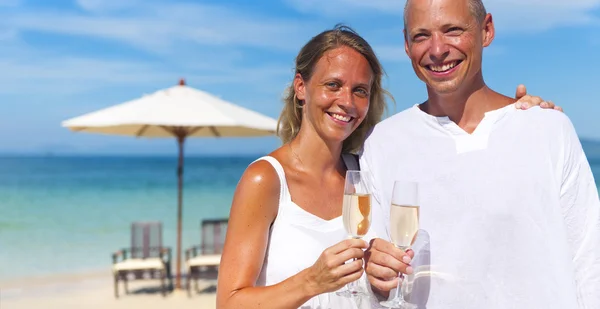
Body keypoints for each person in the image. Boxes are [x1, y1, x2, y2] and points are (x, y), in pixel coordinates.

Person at [215, 25, 558, 309]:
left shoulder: (366, 174)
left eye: (360, 91)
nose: (346, 102)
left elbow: (456, 171)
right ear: (301, 87)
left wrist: (516, 116)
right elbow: (229, 302)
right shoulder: (266, 180)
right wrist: (311, 281)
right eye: (333, 85)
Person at [361, 0, 600, 308]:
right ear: (406, 45)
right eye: (421, 36)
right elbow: (374, 278)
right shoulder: (382, 143)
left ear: (486, 30)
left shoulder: (548, 130)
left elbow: (590, 260)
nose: (437, 49)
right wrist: (375, 271)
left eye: (453, 31)